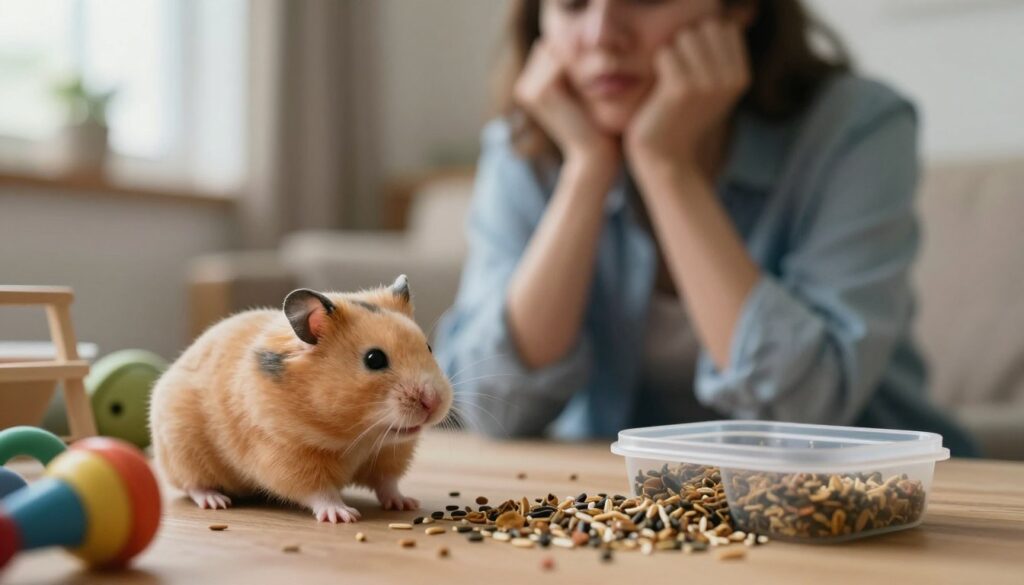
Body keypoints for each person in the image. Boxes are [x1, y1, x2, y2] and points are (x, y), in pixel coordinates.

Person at [433, 0, 977, 455]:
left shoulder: (857, 128)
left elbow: (806, 410)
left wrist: (666, 165)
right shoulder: (526, 146)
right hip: (631, 513)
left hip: (858, 506)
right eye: (573, 3)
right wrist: (586, 172)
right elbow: (491, 406)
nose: (602, 35)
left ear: (739, 6)